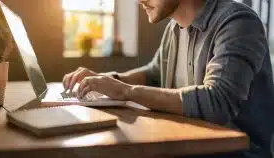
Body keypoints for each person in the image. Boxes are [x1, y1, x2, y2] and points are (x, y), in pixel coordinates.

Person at [63, 0, 274, 157]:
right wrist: (107, 80)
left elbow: (216, 101)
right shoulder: (173, 29)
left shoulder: (238, 23)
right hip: (188, 147)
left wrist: (125, 91)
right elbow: (154, 73)